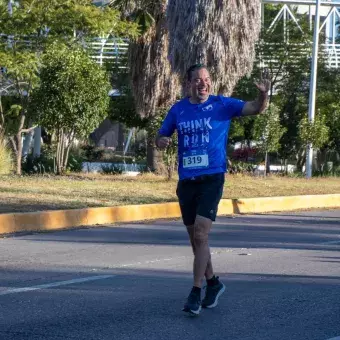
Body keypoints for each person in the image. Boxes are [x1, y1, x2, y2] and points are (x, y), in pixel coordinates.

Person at [156, 64, 270, 316]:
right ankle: (213, 283)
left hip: (212, 178)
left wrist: (263, 95)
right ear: (189, 83)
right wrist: (161, 141)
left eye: (206, 79)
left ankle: (195, 292)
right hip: (186, 181)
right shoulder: (179, 109)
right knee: (196, 241)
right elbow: (161, 136)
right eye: (197, 80)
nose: (203, 83)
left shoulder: (222, 105)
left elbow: (255, 108)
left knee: (200, 235)